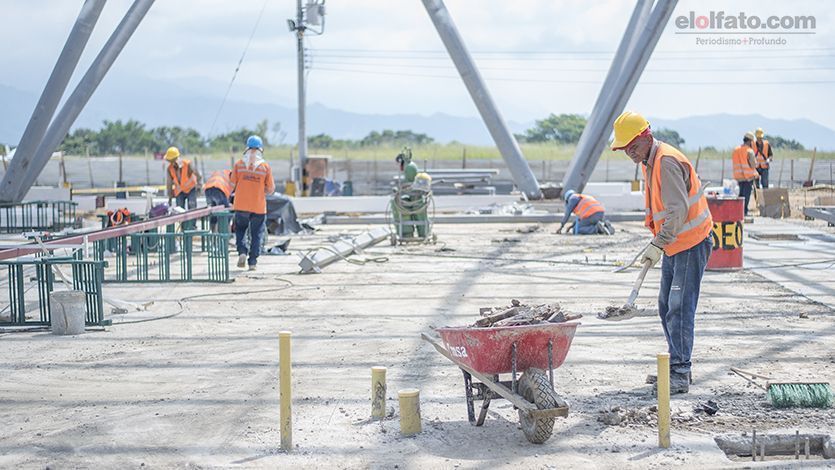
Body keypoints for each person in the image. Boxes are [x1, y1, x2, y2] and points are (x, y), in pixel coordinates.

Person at [611, 111, 713, 395]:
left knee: (679, 308)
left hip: (690, 243)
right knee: (666, 306)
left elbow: (677, 211)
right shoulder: (649, 160)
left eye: (633, 146)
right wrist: (658, 242)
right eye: (624, 149)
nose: (629, 152)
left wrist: (658, 243)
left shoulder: (665, 161)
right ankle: (675, 368)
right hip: (675, 243)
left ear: (646, 136)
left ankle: (680, 372)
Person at [230, 135, 275, 271]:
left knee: (241, 230)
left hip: (241, 205)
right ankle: (253, 262)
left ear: (247, 148)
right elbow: (271, 189)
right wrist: (260, 189)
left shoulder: (239, 164)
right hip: (258, 206)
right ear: (261, 149)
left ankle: (242, 251)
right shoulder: (265, 167)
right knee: (257, 234)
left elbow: (232, 182)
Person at [732, 132, 759, 216]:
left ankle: (739, 211)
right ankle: (744, 212)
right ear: (750, 141)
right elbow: (753, 164)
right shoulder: (749, 151)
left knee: (740, 195)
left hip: (739, 176)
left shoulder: (736, 150)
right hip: (748, 177)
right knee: (746, 195)